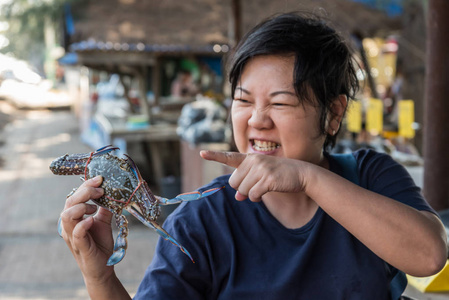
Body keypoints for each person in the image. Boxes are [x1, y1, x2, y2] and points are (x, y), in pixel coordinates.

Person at [59, 12, 447, 299]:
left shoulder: (370, 175)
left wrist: (307, 178)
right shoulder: (202, 220)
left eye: (280, 103)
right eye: (243, 101)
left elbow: (429, 257)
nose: (256, 120)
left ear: (333, 114)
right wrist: (100, 278)